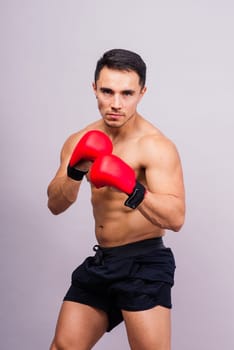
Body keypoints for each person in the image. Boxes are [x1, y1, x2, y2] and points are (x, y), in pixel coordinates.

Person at [47, 48, 185, 350]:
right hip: (103, 261)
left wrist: (131, 187)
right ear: (94, 87)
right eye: (107, 92)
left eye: (127, 93)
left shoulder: (155, 146)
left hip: (144, 263)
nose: (116, 104)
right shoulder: (79, 140)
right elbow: (55, 204)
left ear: (142, 92)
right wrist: (75, 170)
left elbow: (176, 218)